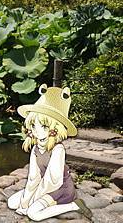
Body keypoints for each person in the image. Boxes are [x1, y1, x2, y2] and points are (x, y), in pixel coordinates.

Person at [7, 84, 92, 221]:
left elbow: (53, 181)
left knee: (33, 214)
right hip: (42, 186)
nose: (37, 130)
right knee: (13, 203)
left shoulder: (58, 149)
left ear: (56, 128)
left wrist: (32, 201)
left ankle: (74, 205)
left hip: (59, 189)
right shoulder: (36, 149)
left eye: (44, 126)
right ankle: (32, 203)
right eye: (33, 125)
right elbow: (34, 178)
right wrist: (25, 201)